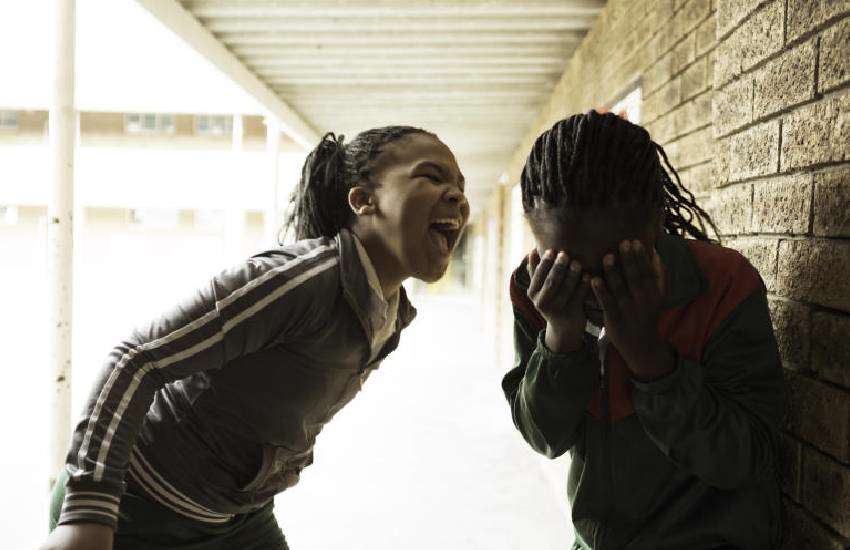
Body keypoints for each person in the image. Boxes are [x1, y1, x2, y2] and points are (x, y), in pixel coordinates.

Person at [41, 126, 469, 550]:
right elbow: (137, 358)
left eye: (460, 186)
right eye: (431, 177)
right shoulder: (303, 281)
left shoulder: (393, 313)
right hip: (133, 507)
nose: (456, 196)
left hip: (235, 519)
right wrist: (87, 508)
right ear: (362, 200)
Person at [502, 111, 784, 550]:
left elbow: (743, 460)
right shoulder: (535, 288)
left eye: (612, 265)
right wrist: (560, 335)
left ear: (656, 221)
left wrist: (647, 354)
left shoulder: (723, 284)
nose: (592, 288)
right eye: (568, 266)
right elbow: (544, 437)